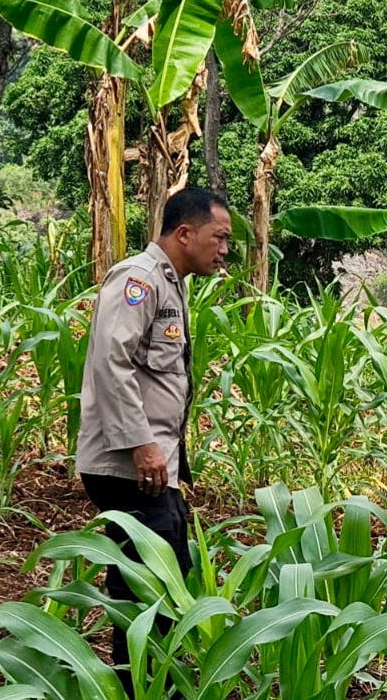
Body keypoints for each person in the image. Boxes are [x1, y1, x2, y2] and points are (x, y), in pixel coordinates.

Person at [76, 187, 231, 692]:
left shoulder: (171, 283)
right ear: (184, 233)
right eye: (219, 237)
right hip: (127, 463)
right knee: (152, 583)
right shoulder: (138, 280)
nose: (224, 249)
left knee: (158, 575)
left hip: (149, 462)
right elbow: (111, 363)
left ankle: (144, 682)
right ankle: (139, 686)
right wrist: (142, 444)